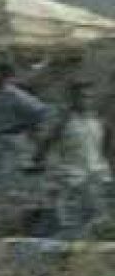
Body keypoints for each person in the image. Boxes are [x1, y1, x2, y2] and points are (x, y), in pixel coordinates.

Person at [34, 79, 111, 236]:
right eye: (82, 96)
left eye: (89, 97)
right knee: (72, 221)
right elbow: (44, 145)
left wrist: (106, 169)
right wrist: (40, 162)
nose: (86, 100)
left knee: (99, 218)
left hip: (97, 177)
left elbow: (105, 149)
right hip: (72, 179)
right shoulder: (63, 122)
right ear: (72, 98)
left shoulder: (99, 122)